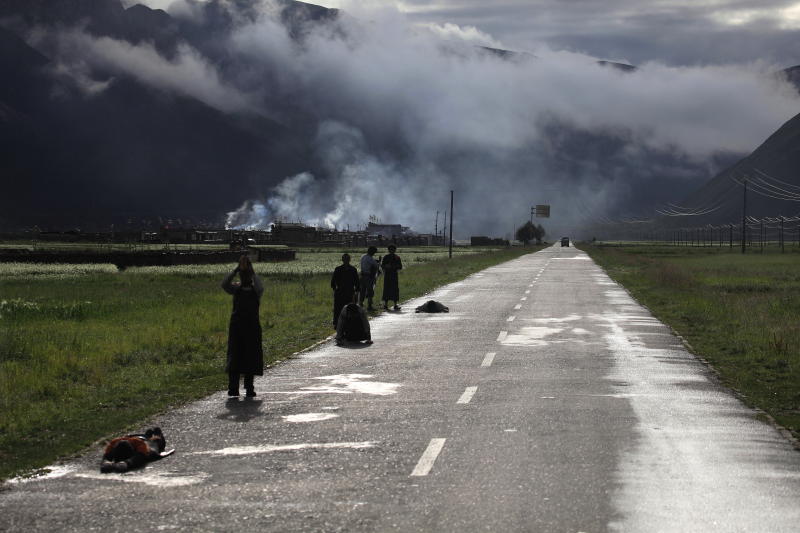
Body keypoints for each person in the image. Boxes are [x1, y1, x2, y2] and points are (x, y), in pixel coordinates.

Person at [221, 255, 264, 397]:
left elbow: (260, 287)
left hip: (247, 326)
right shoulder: (237, 288)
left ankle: (248, 387)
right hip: (240, 327)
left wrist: (251, 272)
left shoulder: (254, 290)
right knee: (236, 356)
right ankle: (234, 387)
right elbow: (224, 284)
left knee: (248, 356)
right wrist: (235, 270)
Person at [330, 253, 360, 328]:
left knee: (350, 308)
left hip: (350, 292)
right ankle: (336, 323)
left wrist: (356, 291)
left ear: (349, 260)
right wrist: (335, 290)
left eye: (347, 259)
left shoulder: (353, 269)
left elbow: (357, 282)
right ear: (342, 260)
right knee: (338, 308)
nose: (346, 260)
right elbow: (333, 281)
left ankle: (349, 323)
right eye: (345, 259)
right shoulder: (338, 269)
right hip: (340, 291)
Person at [381, 244, 403, 310]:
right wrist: (386, 266)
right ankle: (385, 304)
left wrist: (394, 266)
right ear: (389, 250)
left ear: (395, 250)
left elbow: (400, 267)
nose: (392, 251)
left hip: (394, 275)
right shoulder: (386, 257)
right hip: (387, 275)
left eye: (393, 249)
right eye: (391, 249)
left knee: (395, 289)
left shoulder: (397, 257)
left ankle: (395, 304)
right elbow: (382, 266)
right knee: (386, 289)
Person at [358, 246, 381, 310]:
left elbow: (371, 262)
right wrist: (379, 262)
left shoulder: (363, 256)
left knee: (362, 290)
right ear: (372, 252)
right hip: (368, 276)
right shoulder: (370, 259)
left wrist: (375, 261)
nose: (374, 253)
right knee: (370, 291)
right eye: (374, 252)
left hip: (362, 276)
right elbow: (376, 266)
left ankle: (360, 304)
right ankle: (369, 305)